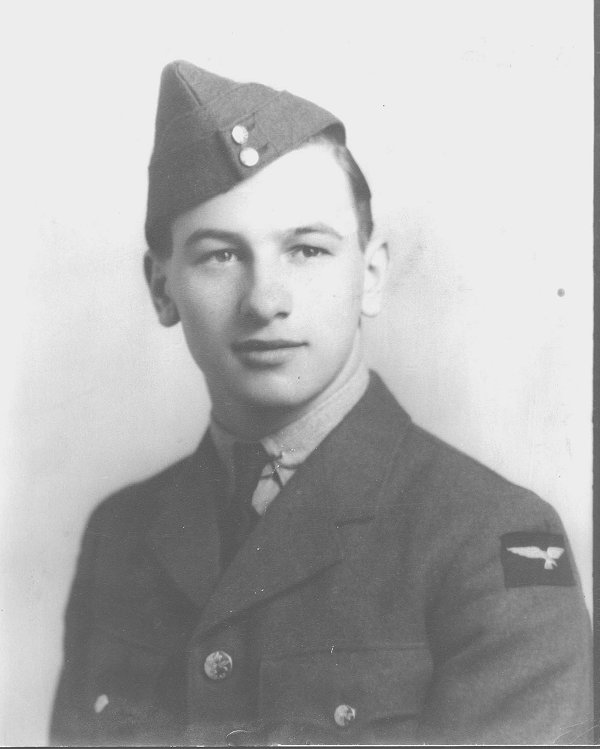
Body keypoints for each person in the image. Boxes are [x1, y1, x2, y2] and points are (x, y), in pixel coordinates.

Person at [49, 60, 592, 746]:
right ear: (162, 289)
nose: (265, 301)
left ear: (371, 274)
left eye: (306, 250)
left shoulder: (490, 539)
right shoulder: (121, 535)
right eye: (221, 255)